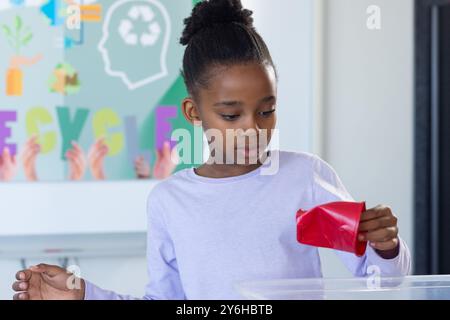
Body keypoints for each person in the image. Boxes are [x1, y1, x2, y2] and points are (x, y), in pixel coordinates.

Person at [11, 0, 411, 300]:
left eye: (267, 111)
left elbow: (383, 279)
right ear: (194, 111)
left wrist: (386, 246)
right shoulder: (170, 201)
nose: (254, 128)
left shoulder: (305, 178)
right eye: (231, 115)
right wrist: (85, 295)